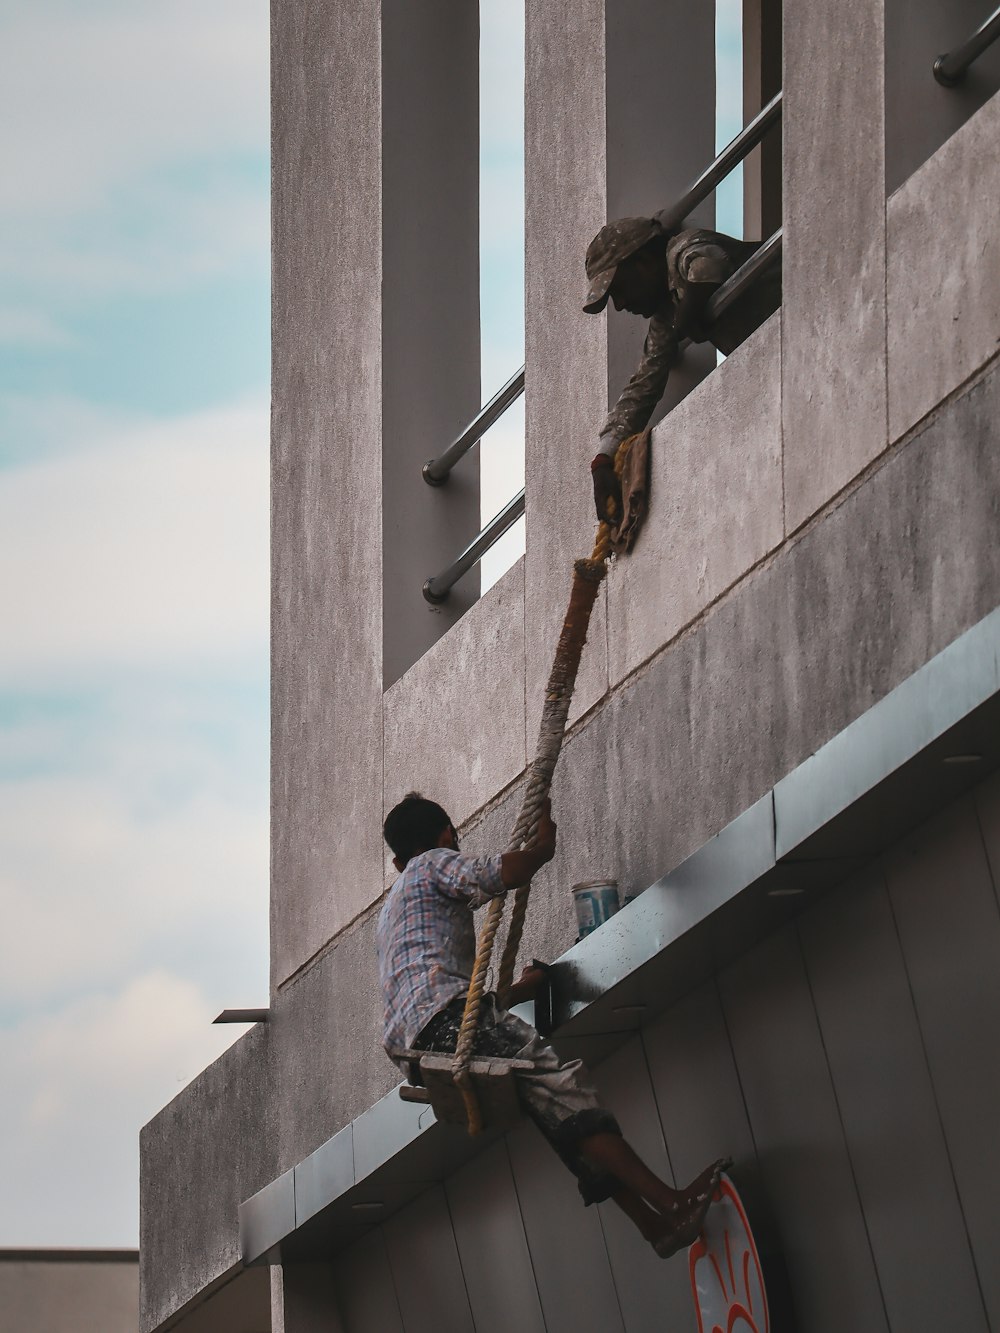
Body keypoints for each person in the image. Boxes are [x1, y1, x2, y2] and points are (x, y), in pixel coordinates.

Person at [376, 791, 729, 1258]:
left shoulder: (393, 907)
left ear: (397, 862)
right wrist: (542, 847)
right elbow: (504, 873)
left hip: (418, 1044)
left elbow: (433, 978)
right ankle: (670, 1202)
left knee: (554, 1113)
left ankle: (655, 1227)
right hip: (447, 1020)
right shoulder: (431, 865)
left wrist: (520, 990)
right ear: (445, 836)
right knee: (567, 1092)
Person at [584, 215, 780, 523]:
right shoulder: (666, 315)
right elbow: (643, 385)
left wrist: (690, 313)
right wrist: (603, 459)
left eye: (619, 289)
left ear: (644, 261)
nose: (620, 304)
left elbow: (706, 263)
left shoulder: (680, 250)